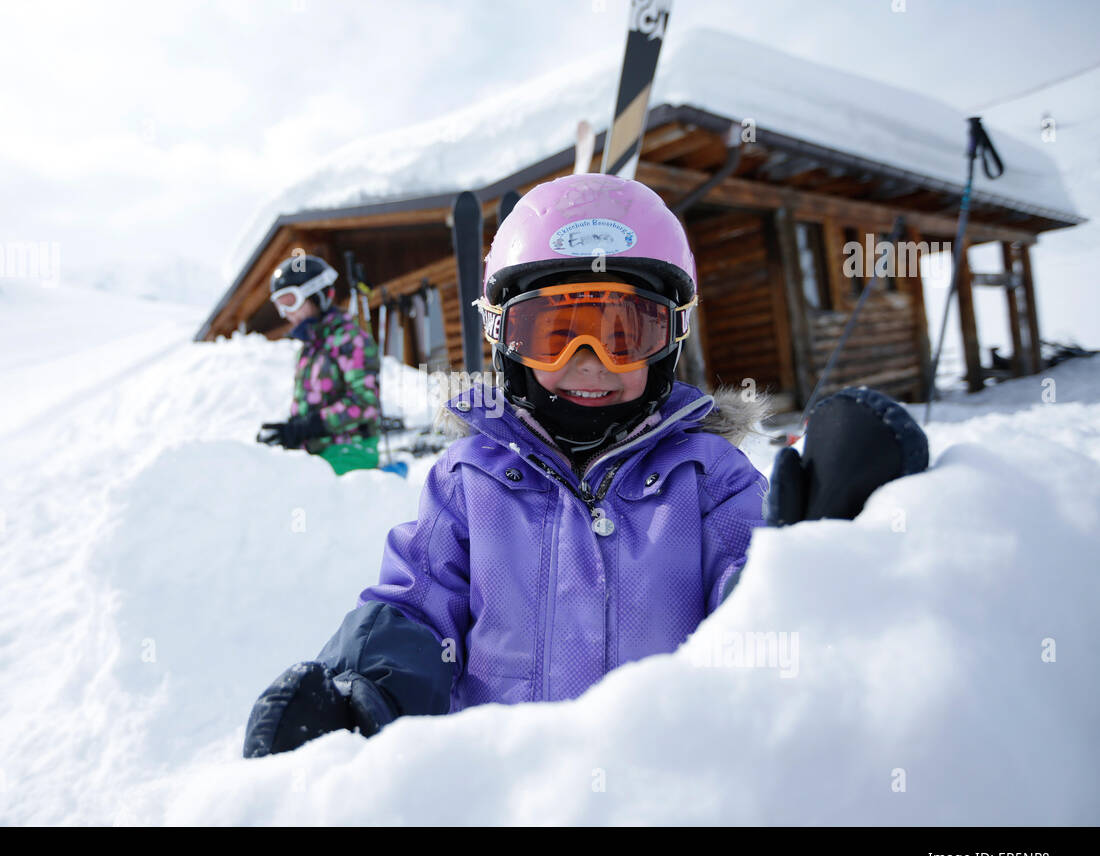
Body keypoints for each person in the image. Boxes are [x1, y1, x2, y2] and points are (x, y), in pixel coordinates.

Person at [243, 174, 927, 758]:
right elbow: (414, 612)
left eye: (625, 332)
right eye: (553, 333)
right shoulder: (468, 481)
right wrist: (361, 694)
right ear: (506, 343)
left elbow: (756, 600)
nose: (589, 361)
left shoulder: (709, 478)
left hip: (670, 792)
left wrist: (818, 562)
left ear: (669, 343)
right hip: (505, 796)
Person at [257, 253, 383, 475]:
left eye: (290, 301)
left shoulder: (349, 339)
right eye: (280, 305)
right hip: (317, 453)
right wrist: (291, 431)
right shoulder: (309, 348)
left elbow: (365, 402)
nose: (286, 313)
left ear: (318, 295)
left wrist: (311, 426)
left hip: (350, 452)